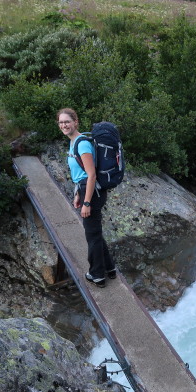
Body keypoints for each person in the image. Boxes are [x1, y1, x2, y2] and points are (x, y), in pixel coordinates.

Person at [57, 107, 116, 288]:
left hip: (92, 192)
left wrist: (87, 202)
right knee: (95, 233)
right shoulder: (74, 141)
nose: (64, 125)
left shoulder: (81, 143)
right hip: (85, 190)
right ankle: (109, 268)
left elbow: (91, 175)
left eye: (67, 121)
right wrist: (77, 194)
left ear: (76, 122)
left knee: (92, 236)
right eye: (61, 122)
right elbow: (80, 172)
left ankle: (96, 274)